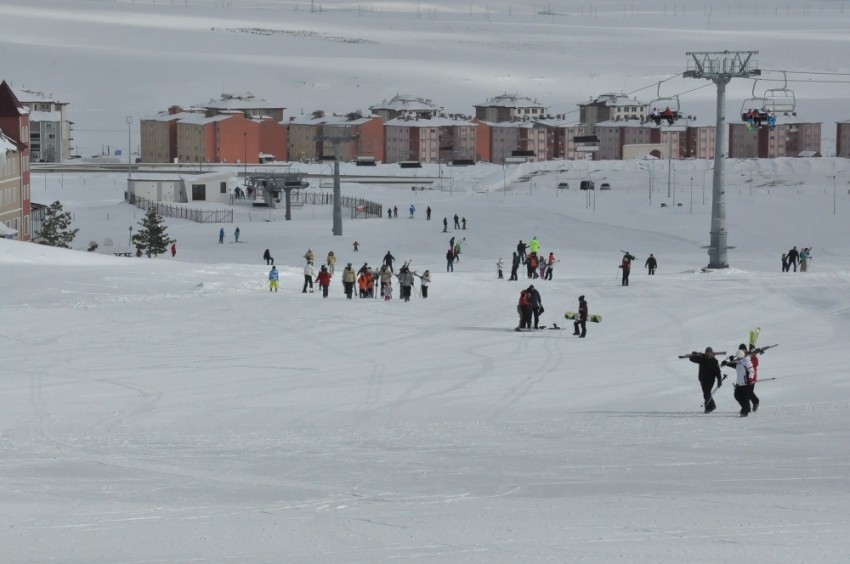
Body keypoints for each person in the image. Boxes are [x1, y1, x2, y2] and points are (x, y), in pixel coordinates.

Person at [685, 348, 723, 413]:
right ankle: (712, 405)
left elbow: (718, 372)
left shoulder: (715, 361)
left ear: (712, 353)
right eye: (707, 352)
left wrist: (719, 380)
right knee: (706, 393)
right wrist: (694, 354)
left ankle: (709, 407)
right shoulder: (702, 359)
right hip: (703, 379)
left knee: (706, 393)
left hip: (710, 380)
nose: (708, 353)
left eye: (709, 352)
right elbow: (692, 359)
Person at [722, 349, 756, 417]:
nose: (739, 358)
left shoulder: (747, 361)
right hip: (739, 383)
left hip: (746, 383)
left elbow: (752, 370)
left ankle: (745, 411)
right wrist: (726, 363)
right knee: (737, 395)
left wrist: (750, 378)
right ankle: (744, 408)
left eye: (740, 357)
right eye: (738, 357)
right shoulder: (738, 362)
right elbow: (734, 365)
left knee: (745, 397)